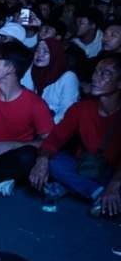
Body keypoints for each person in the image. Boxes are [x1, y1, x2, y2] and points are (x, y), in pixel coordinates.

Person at [31, 54, 121, 216]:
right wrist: (42, 159)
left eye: (106, 74)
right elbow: (55, 138)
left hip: (113, 173)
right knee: (53, 161)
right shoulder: (81, 108)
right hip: (85, 166)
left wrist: (114, 185)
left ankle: (76, 188)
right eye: (96, 72)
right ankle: (99, 195)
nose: (95, 78)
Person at [0, 42, 53, 187]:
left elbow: (51, 141)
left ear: (11, 68)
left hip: (7, 159)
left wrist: (12, 145)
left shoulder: (35, 103)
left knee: (27, 156)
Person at [28, 38, 79, 124]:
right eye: (37, 51)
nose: (40, 54)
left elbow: (67, 111)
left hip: (55, 128)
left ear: (55, 54)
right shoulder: (33, 71)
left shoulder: (68, 77)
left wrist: (46, 128)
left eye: (46, 52)